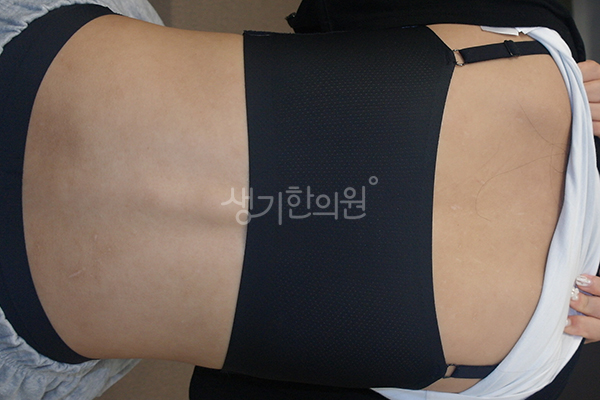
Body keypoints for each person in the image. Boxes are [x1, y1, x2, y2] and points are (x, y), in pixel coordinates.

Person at [1, 0, 600, 399]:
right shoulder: (530, 370)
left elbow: (324, 13)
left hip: (30, 50)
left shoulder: (534, 36)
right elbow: (227, 388)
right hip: (26, 317)